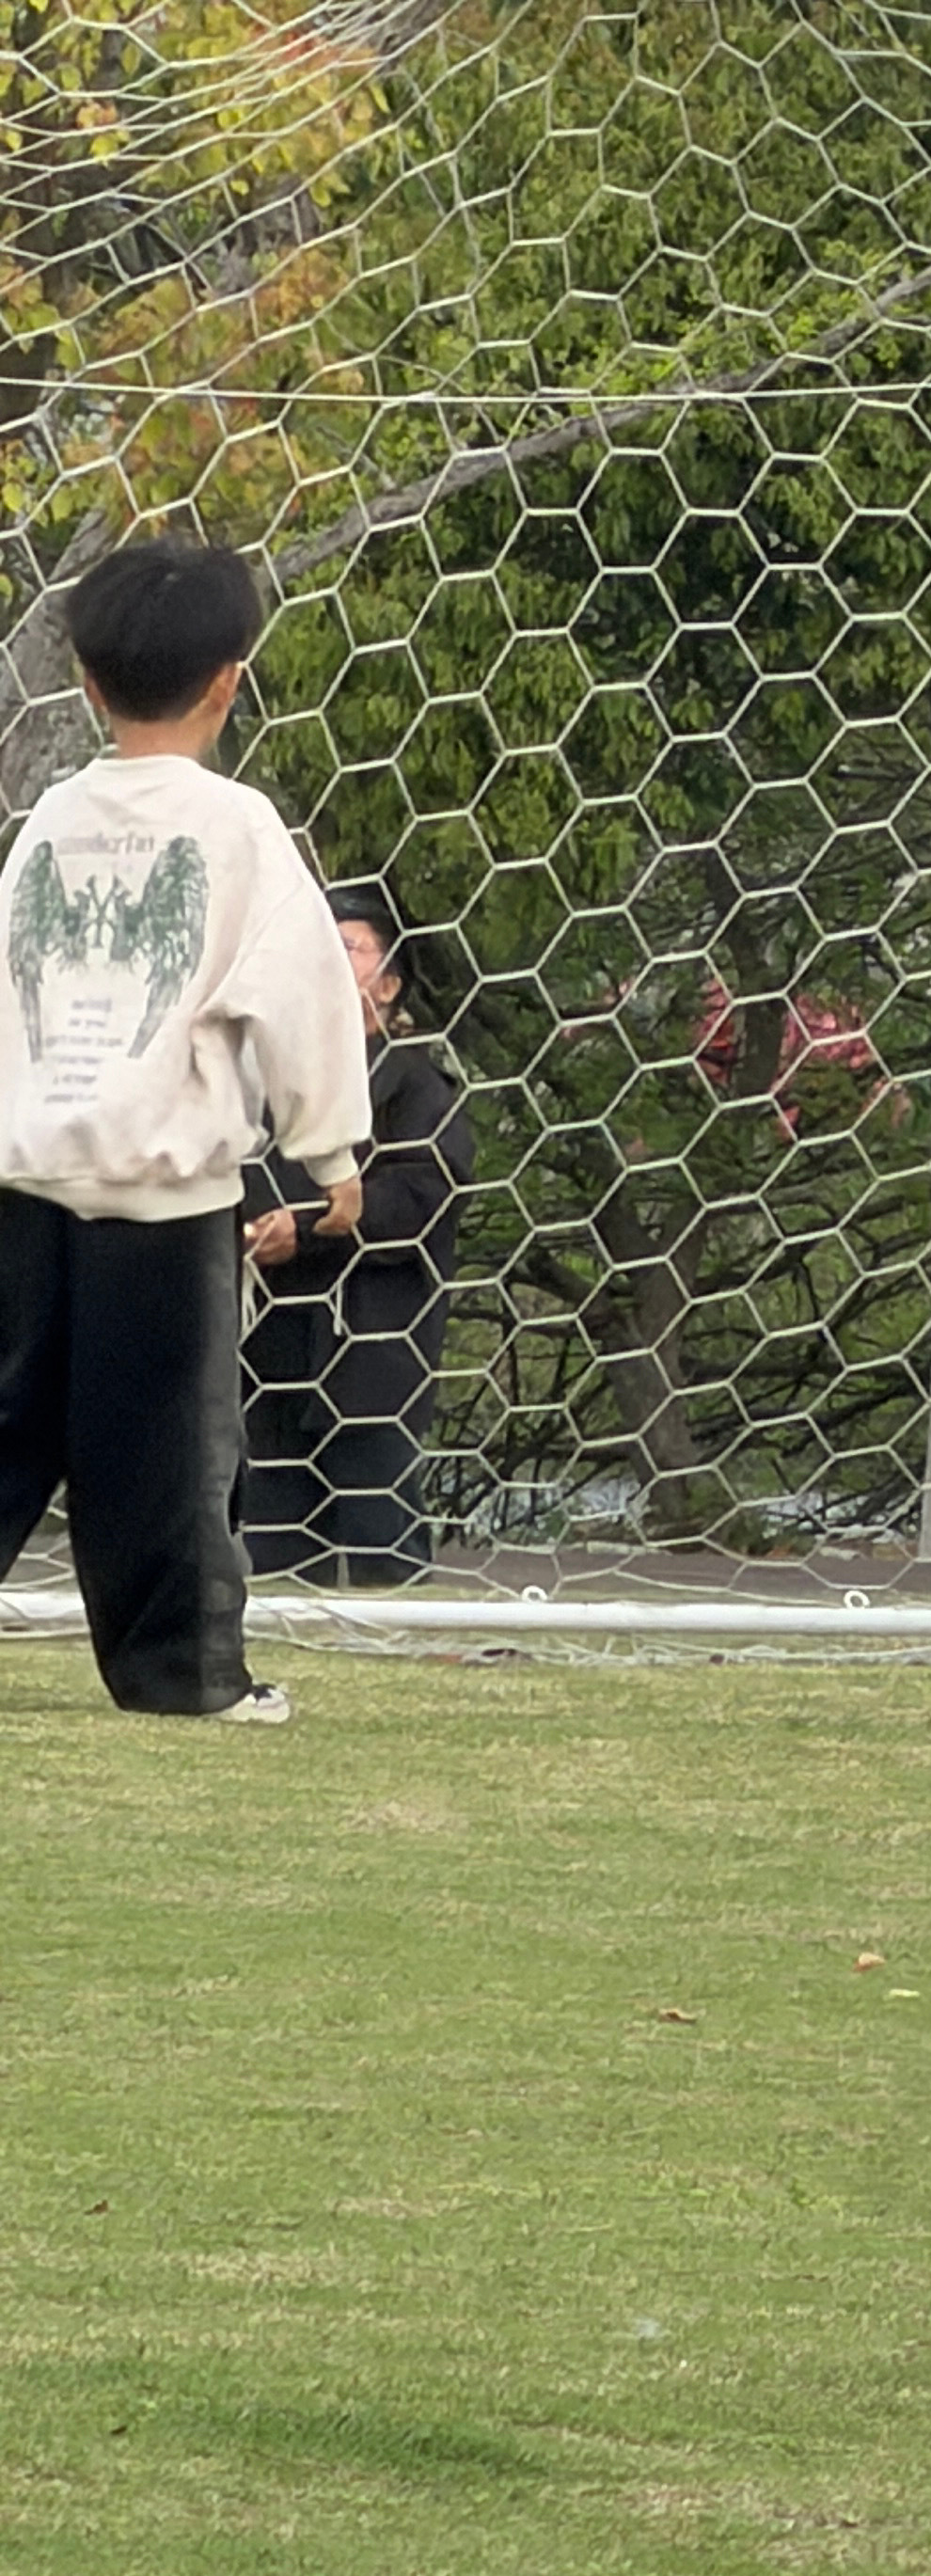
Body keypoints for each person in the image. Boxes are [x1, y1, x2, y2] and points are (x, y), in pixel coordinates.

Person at [0, 539, 365, 1722]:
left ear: (89, 688)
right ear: (231, 679)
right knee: (162, 1449)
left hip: (24, 1178)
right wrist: (330, 1156)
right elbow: (304, 991)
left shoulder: (48, 822)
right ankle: (182, 1680)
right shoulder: (238, 826)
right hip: (164, 1203)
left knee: (9, 1421)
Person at [241, 883, 472, 1586]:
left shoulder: (419, 1088)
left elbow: (419, 1199)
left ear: (391, 982)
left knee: (381, 1535)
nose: (330, 964)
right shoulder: (274, 1080)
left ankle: (402, 1668)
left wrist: (307, 1227)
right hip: (270, 1342)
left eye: (348, 949)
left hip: (370, 1346)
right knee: (275, 1544)